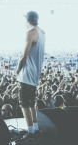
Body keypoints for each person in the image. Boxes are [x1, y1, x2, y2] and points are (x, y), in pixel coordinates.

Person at [16, 11, 46, 143]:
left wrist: (17, 70)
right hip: (35, 74)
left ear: (27, 21)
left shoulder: (30, 33)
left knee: (24, 103)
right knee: (31, 103)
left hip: (27, 74)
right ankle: (35, 128)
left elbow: (24, 56)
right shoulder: (42, 32)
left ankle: (30, 132)